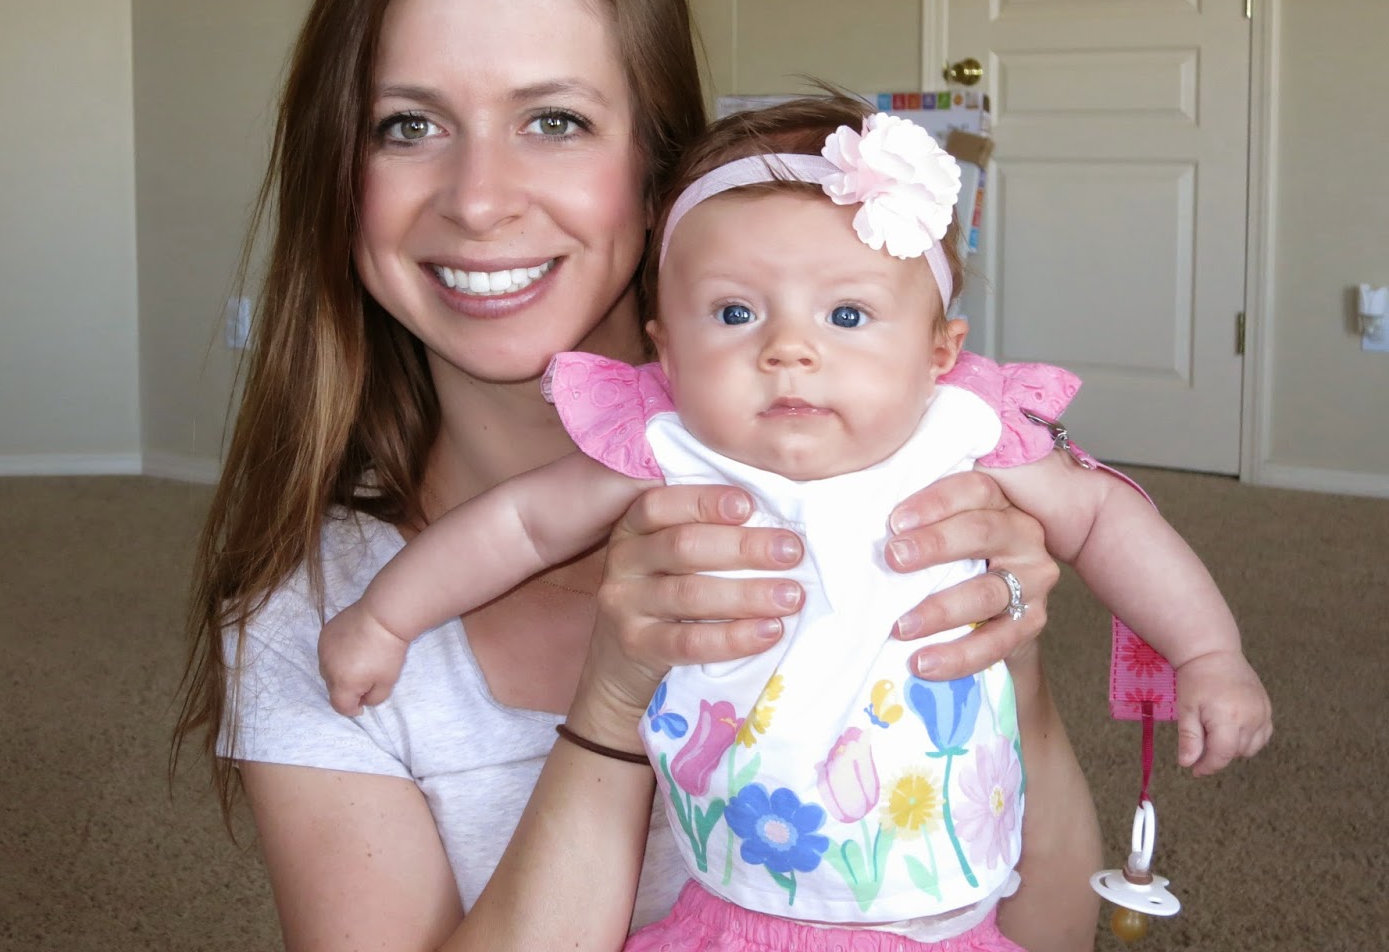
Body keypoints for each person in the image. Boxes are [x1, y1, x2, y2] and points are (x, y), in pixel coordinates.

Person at [174, 0, 1104, 952]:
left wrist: (1007, 664)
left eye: (554, 121)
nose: (478, 201)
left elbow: (1048, 934)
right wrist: (613, 709)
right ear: (341, 175)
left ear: (663, 170)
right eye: (408, 125)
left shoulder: (892, 481)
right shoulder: (315, 612)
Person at [318, 95, 1273, 950]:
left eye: (847, 316)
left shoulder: (963, 431)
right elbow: (520, 526)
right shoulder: (673, 444)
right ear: (665, 349)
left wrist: (1207, 652)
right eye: (735, 312)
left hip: (956, 894)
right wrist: (387, 618)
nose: (788, 350)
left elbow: (1103, 516)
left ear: (940, 353)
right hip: (735, 901)